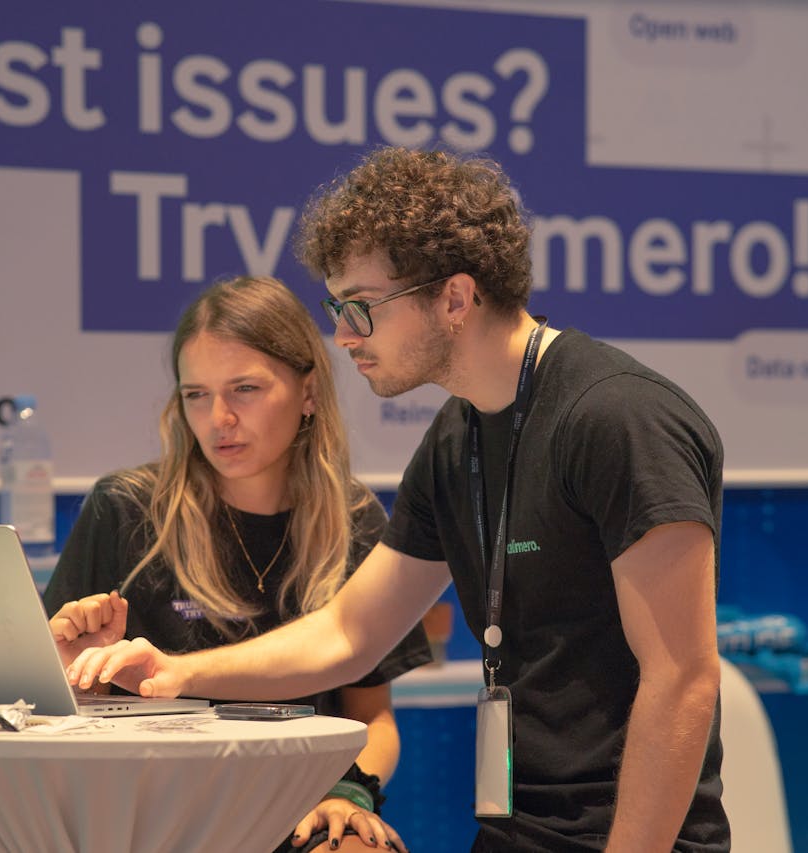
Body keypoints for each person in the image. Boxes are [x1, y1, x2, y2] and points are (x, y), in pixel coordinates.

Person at [66, 148, 730, 852]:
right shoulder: (459, 437)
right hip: (517, 828)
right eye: (336, 307)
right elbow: (350, 632)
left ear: (453, 298)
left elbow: (683, 676)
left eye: (360, 306)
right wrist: (176, 672)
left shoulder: (617, 418)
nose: (344, 333)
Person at [43, 275, 430, 853]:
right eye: (196, 394)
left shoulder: (356, 520)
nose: (217, 417)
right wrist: (76, 673)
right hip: (154, 815)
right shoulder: (126, 510)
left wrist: (348, 794)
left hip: (298, 806)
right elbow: (45, 718)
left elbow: (372, 719)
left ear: (308, 393)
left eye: (244, 389)